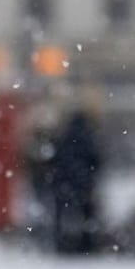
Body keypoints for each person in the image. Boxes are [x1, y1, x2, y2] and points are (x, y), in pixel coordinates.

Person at [47, 105, 103, 255]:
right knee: (87, 214)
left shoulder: (63, 136)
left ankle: (61, 243)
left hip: (64, 183)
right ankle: (87, 244)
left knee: (61, 214)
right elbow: (96, 159)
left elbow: (54, 158)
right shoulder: (88, 137)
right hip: (84, 182)